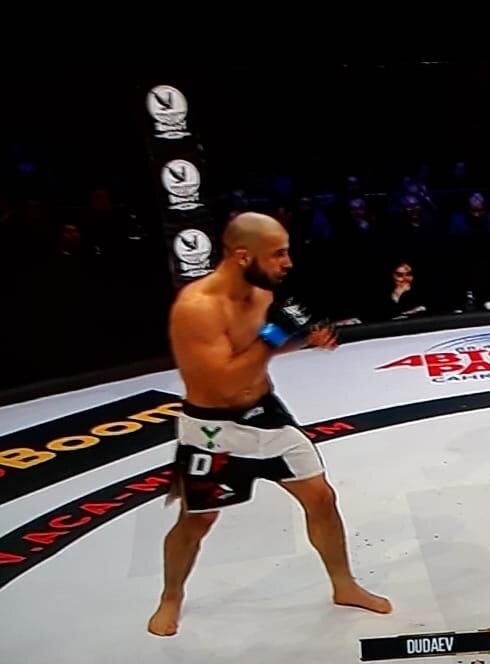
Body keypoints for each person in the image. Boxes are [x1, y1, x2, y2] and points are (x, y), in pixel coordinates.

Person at [148, 211, 391, 636]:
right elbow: (223, 380)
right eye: (278, 253)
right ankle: (171, 597)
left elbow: (253, 354)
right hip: (213, 428)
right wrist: (275, 336)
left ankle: (344, 585)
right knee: (197, 520)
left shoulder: (260, 295)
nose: (288, 262)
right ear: (243, 255)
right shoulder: (197, 308)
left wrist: (301, 341)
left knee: (321, 498)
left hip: (265, 413)